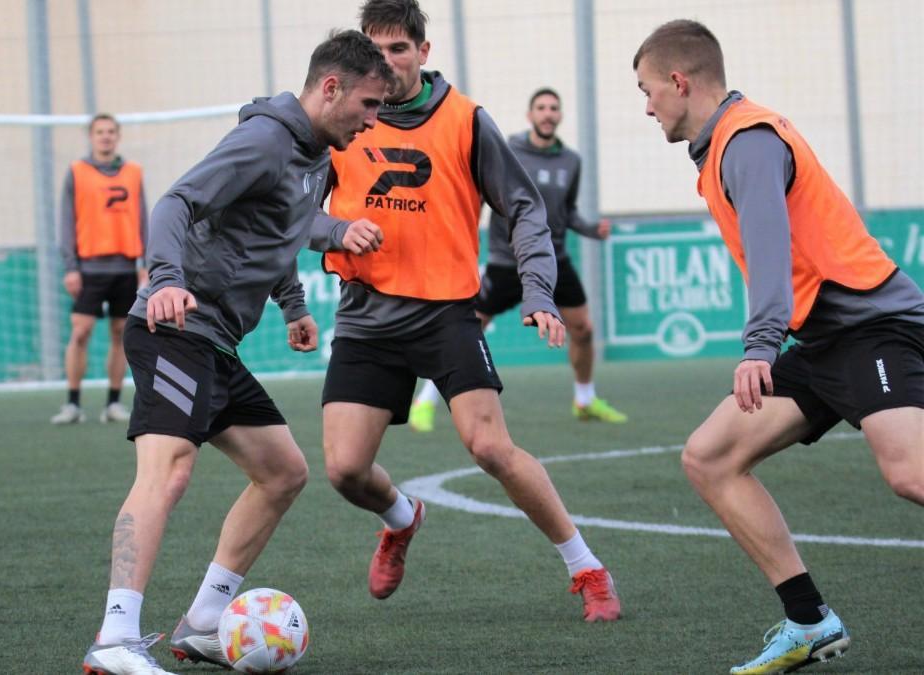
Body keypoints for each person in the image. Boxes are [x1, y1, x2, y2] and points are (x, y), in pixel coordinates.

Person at [81, 30, 393, 675]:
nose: (372, 120)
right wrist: (165, 279)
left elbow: (273, 228)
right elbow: (178, 202)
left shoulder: (314, 156)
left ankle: (201, 624)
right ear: (330, 87)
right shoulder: (265, 140)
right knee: (166, 473)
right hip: (174, 327)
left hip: (216, 341)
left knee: (283, 472)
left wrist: (294, 304)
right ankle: (114, 640)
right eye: (367, 104)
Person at [310, 0, 621, 623]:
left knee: (490, 448)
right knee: (345, 469)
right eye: (377, 49)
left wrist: (537, 290)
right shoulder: (340, 119)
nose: (388, 61)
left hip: (447, 313)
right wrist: (335, 232)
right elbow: (294, 211)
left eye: (400, 48)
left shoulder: (466, 119)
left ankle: (587, 568)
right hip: (367, 318)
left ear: (424, 53)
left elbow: (526, 209)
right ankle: (401, 519)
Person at [634, 19, 924, 674]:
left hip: (874, 325)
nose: (646, 106)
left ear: (680, 82)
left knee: (909, 471)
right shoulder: (723, 147)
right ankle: (809, 621)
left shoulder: (748, 142)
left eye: (649, 90)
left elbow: (770, 253)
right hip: (825, 339)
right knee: (708, 457)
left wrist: (760, 345)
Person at [408, 87, 625, 433]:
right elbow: (481, 194)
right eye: (541, 107)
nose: (547, 113)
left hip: (554, 259)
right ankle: (425, 402)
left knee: (583, 329)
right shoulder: (509, 149)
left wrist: (590, 229)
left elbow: (566, 212)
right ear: (530, 115)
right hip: (507, 261)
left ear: (560, 116)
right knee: (465, 330)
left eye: (554, 108)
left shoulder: (571, 161)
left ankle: (585, 399)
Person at [52, 113, 149, 425]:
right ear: (91, 137)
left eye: (110, 132)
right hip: (89, 268)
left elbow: (144, 220)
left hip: (125, 267)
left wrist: (146, 264)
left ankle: (113, 403)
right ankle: (73, 404)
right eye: (99, 132)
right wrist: (71, 266)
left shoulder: (133, 172)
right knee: (80, 331)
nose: (105, 137)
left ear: (117, 136)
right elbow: (66, 222)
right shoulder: (77, 172)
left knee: (121, 334)